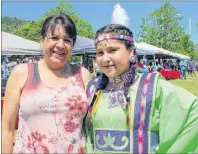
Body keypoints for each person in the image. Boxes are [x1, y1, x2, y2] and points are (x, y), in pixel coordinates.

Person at [85, 24, 198, 154]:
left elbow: (193, 114)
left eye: (112, 50)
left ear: (131, 51)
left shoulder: (152, 86)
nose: (105, 58)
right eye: (100, 53)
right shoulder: (93, 89)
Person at [2, 14, 92, 153]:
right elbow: (6, 129)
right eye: (54, 38)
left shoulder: (83, 75)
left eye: (67, 40)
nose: (60, 45)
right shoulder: (22, 73)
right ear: (42, 40)